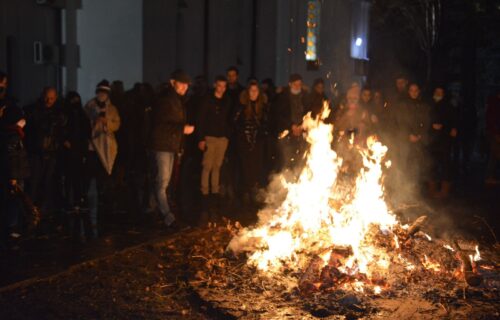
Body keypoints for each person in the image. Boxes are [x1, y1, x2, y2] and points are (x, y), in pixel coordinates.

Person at [148, 70, 194, 228]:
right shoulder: (166, 100)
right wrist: (183, 129)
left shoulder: (178, 100)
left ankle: (153, 210)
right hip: (163, 146)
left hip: (170, 145)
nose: (184, 87)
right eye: (181, 84)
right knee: (163, 182)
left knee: (163, 181)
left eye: (186, 85)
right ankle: (168, 217)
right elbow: (161, 125)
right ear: (173, 82)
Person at [84, 80, 121, 237]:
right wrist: (94, 121)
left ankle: (105, 207)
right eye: (100, 91)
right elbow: (84, 124)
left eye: (104, 92)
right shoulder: (89, 107)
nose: (102, 95)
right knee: (92, 179)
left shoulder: (112, 109)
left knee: (105, 179)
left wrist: (107, 123)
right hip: (93, 149)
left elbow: (117, 125)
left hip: (106, 149)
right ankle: (92, 208)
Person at [24, 87, 65, 217]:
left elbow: (61, 131)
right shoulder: (33, 111)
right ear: (42, 96)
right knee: (34, 182)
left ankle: (41, 209)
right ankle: (30, 210)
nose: (49, 101)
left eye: (52, 98)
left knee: (47, 182)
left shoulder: (58, 113)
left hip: (51, 152)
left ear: (56, 98)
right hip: (36, 152)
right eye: (47, 97)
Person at [197, 76, 231, 213]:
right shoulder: (207, 100)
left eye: (224, 86)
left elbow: (229, 119)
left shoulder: (227, 101)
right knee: (207, 166)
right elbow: (200, 119)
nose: (222, 88)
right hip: (210, 137)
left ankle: (215, 193)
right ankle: (205, 194)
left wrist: (228, 135)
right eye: (219, 86)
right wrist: (201, 138)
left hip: (222, 138)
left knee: (217, 166)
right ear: (215, 85)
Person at [61, 92, 91, 239]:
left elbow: (86, 130)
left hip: (78, 149)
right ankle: (71, 201)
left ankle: (77, 200)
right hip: (71, 151)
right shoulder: (69, 114)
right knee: (70, 177)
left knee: (78, 177)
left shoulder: (80, 114)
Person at [234, 80, 268, 204]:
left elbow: (265, 124)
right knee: (245, 167)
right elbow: (235, 123)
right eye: (251, 90)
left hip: (258, 143)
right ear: (247, 92)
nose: (253, 93)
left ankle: (254, 192)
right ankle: (245, 192)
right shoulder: (241, 107)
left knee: (256, 167)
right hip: (244, 142)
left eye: (256, 91)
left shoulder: (263, 107)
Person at [399, 83, 431, 193]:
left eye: (416, 90)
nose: (414, 92)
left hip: (419, 140)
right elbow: (400, 122)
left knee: (417, 165)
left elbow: (426, 121)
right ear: (408, 91)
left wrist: (420, 135)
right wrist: (408, 135)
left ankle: (414, 191)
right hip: (406, 140)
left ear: (419, 91)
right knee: (405, 163)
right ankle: (403, 190)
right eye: (411, 90)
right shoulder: (403, 105)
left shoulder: (423, 105)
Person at [274, 73, 310, 171]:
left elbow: (309, 112)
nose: (297, 86)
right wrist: (291, 126)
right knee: (286, 157)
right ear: (290, 84)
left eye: (299, 84)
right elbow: (279, 114)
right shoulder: (283, 97)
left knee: (301, 157)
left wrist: (302, 126)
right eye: (295, 84)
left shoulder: (305, 96)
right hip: (287, 133)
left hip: (302, 131)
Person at [428, 86, 458, 198]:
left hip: (444, 140)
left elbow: (453, 121)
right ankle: (432, 190)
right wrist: (431, 125)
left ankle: (444, 191)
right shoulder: (429, 104)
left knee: (446, 164)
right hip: (431, 140)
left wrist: (446, 127)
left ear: (444, 94)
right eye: (437, 91)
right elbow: (424, 120)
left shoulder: (449, 106)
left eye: (441, 92)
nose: (438, 93)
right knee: (431, 164)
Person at [485, 89, 500, 185]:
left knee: (494, 155)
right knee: (495, 155)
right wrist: (496, 133)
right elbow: (493, 120)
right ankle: (489, 177)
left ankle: (490, 176)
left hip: (494, 133)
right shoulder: (495, 105)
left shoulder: (495, 104)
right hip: (494, 134)